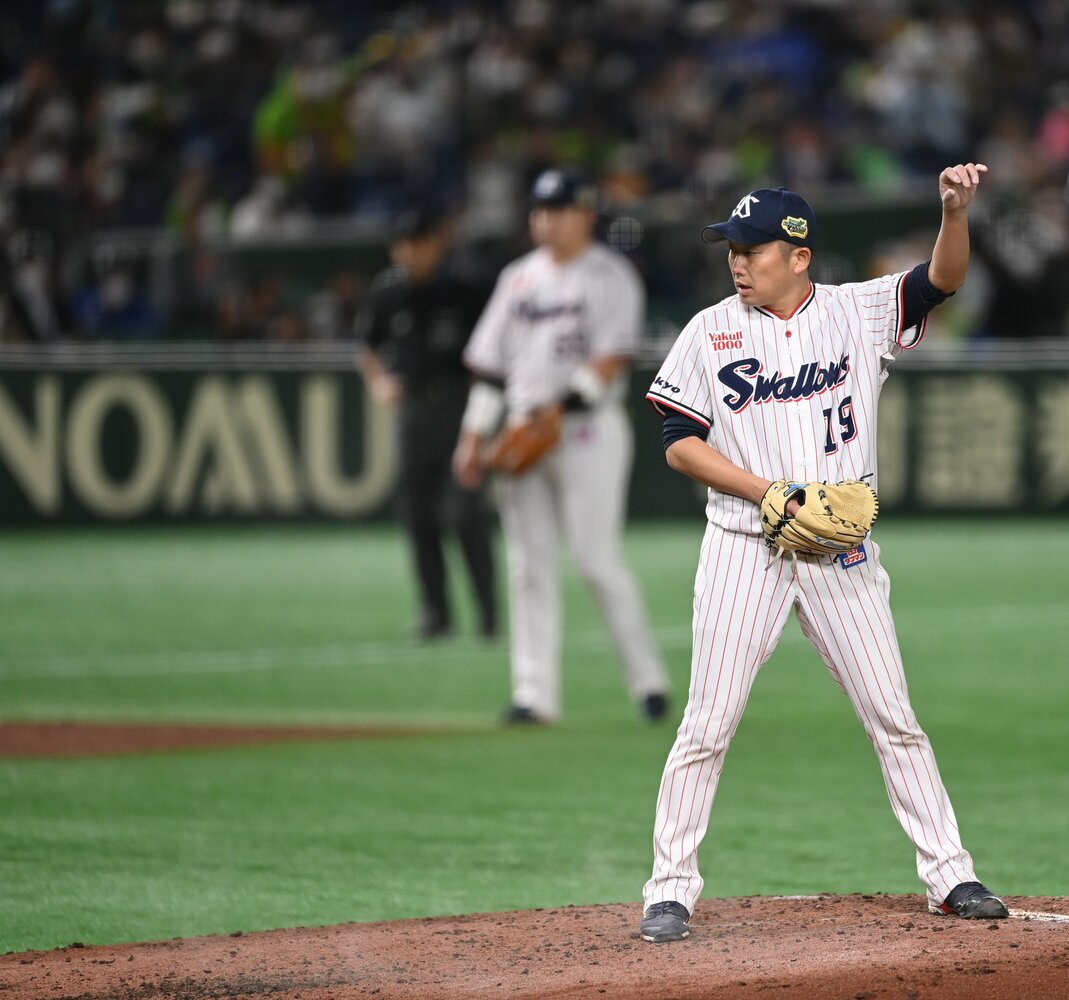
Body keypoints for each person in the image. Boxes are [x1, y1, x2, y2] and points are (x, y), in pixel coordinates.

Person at [638, 164, 1008, 944]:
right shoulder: (708, 330)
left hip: (840, 552)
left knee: (893, 717)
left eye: (753, 248)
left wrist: (953, 213)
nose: (738, 261)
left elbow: (941, 280)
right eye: (731, 249)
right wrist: (763, 490)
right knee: (707, 723)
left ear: (799, 255)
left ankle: (951, 873)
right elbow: (679, 444)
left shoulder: (857, 311)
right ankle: (670, 888)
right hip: (745, 548)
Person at [453, 168, 670, 725]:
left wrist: (558, 409)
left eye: (558, 209)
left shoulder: (610, 275)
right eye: (539, 209)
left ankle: (647, 681)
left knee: (596, 560)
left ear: (585, 214)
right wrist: (474, 435)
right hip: (524, 430)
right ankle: (534, 695)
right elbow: (491, 369)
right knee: (528, 567)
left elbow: (612, 357)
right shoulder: (518, 278)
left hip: (586, 431)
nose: (545, 219)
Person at [357, 205, 498, 641]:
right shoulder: (387, 292)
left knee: (466, 513)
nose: (410, 253)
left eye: (418, 243)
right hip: (413, 412)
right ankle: (436, 611)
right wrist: (380, 383)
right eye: (403, 244)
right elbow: (367, 347)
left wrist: (483, 415)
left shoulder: (465, 289)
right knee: (418, 515)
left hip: (460, 410)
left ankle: (487, 613)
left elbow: (490, 355)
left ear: (436, 243)